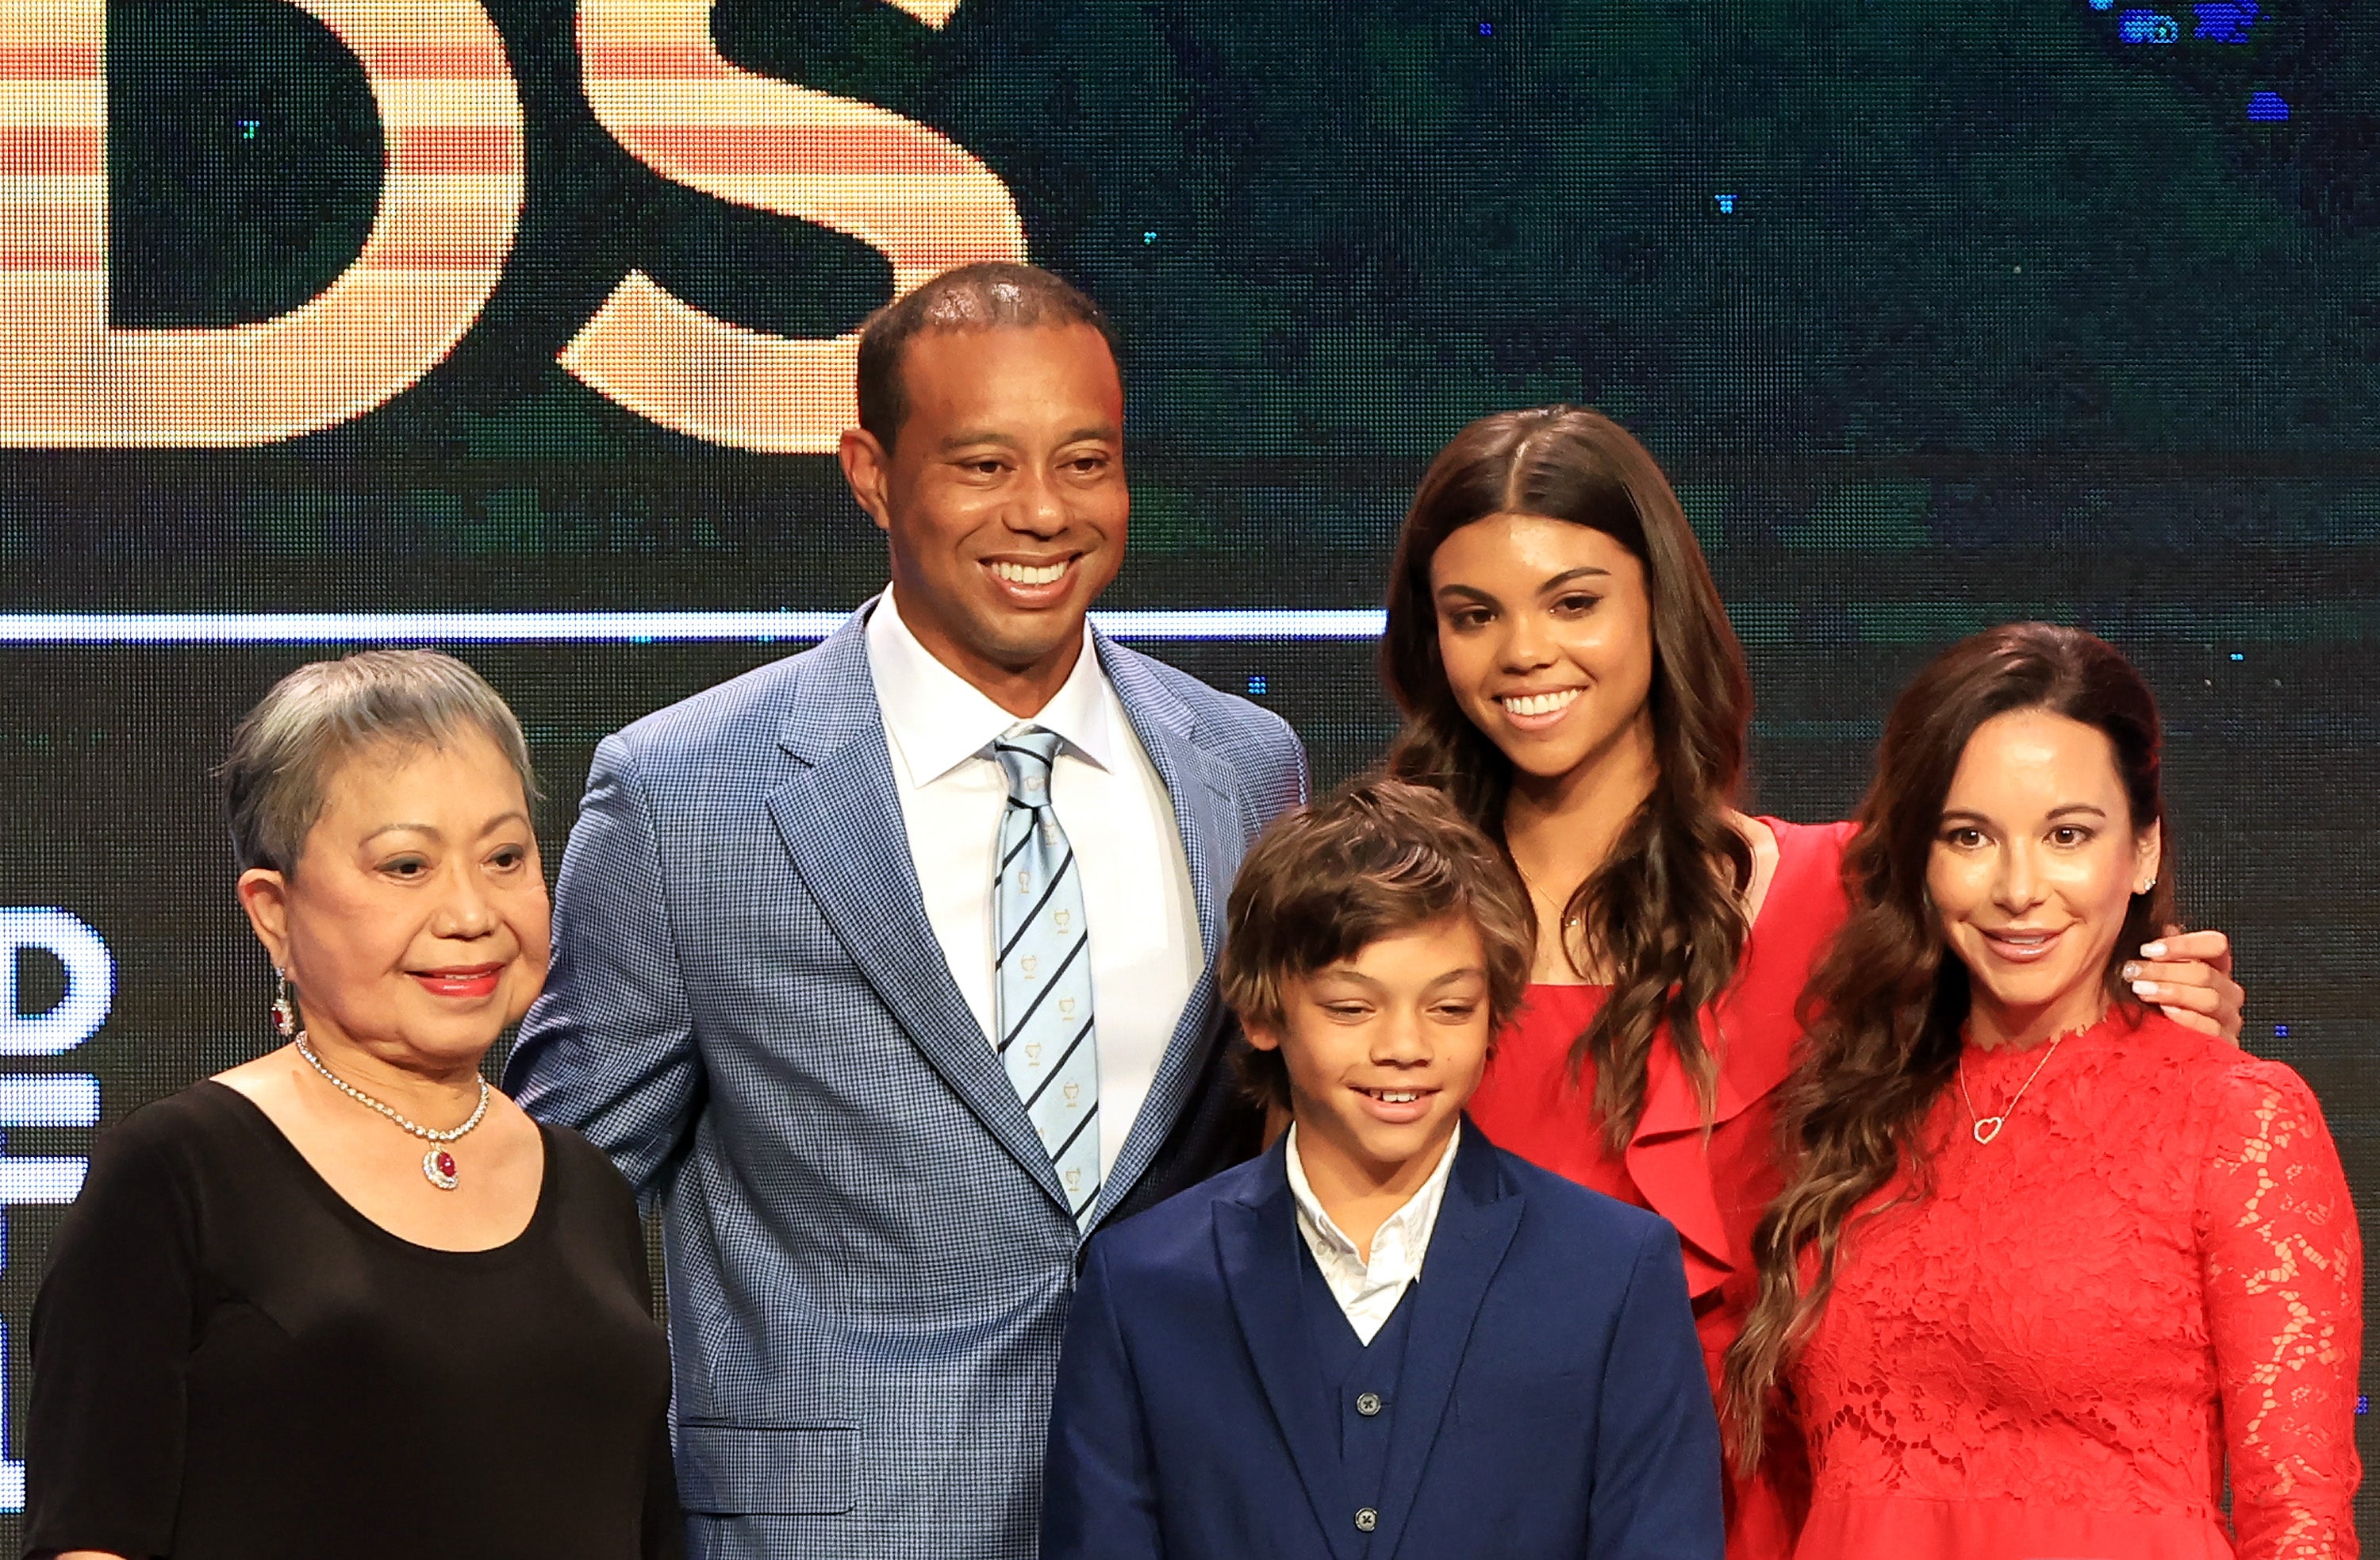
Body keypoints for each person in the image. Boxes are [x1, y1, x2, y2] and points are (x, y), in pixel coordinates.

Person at [505, 263, 1307, 1560]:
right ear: (871, 472)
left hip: (1188, 1511)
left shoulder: (1245, 765)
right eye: (984, 464)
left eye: (1086, 461)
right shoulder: (685, 793)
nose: (1044, 513)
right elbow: (553, 1216)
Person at [1377, 405, 2248, 1554]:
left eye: (1575, 600)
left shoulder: (1841, 897)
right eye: (1472, 616)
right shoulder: (1387, 935)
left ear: (1659, 608)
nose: (1525, 651)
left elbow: (2048, 1099)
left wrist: (2169, 1025)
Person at [1722, 623, 2361, 1558]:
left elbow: (2299, 1519)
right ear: (1921, 859)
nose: (2020, 887)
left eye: (2068, 834)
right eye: (1970, 836)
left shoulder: (2240, 1118)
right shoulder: (1850, 1106)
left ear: (2142, 852)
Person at [22, 650, 678, 1560]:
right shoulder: (179, 1173)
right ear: (273, 912)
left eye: (504, 857)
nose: (470, 912)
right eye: (406, 865)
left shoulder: (586, 1182)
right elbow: (90, 1537)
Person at [1042, 778, 1724, 1560]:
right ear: (1264, 1013)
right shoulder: (1143, 1284)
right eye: (1352, 1008)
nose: (1405, 1046)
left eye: (1449, 1008)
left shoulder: (1612, 1269)